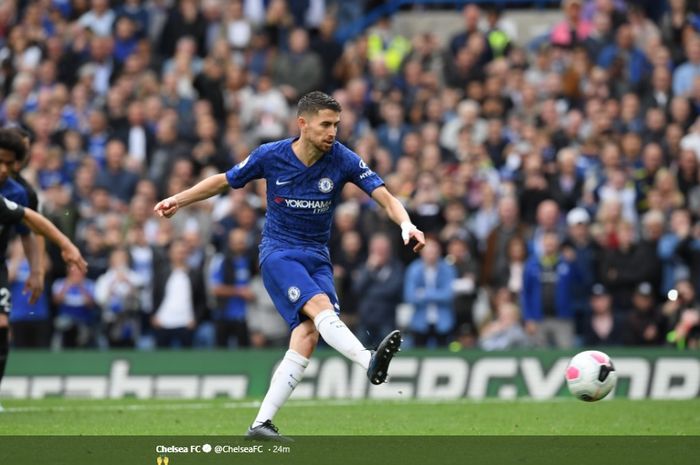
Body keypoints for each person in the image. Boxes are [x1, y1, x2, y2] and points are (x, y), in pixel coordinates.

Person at [154, 91, 425, 440]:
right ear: (303, 123)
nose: (332, 132)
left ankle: (260, 424)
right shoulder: (271, 155)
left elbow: (384, 196)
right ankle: (367, 359)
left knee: (309, 334)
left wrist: (406, 225)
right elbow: (224, 180)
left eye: (337, 125)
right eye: (325, 124)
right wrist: (179, 198)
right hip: (279, 253)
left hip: (317, 257)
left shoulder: (342, 159)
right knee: (323, 309)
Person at [0, 193, 87, 411]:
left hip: (34, 312)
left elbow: (29, 216)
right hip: (20, 311)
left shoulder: (12, 198)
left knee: (3, 328)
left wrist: (64, 244)